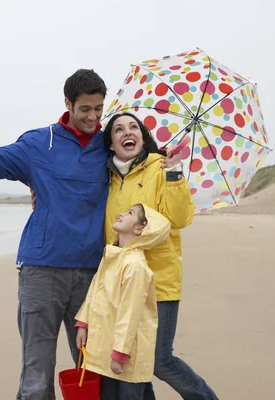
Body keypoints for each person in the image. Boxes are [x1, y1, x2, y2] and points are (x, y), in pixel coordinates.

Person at [0, 69, 110, 400]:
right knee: (37, 371)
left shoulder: (108, 147)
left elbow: (139, 171)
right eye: (85, 109)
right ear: (68, 104)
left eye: (99, 108)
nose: (93, 116)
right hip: (42, 269)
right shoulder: (39, 143)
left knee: (92, 368)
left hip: (93, 273)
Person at [103, 112, 218, 399]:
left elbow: (180, 218)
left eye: (133, 127)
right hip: (123, 284)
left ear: (142, 136)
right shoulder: (108, 178)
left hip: (159, 282)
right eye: (118, 129)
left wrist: (175, 173)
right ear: (111, 144)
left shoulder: (160, 166)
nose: (127, 132)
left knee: (158, 360)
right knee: (131, 362)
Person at [74, 203, 171, 400]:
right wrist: (84, 323)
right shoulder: (113, 254)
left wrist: (120, 353)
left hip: (126, 353)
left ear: (139, 228)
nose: (121, 214)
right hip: (106, 346)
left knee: (130, 394)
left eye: (130, 213)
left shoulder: (135, 266)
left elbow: (130, 313)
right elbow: (95, 290)